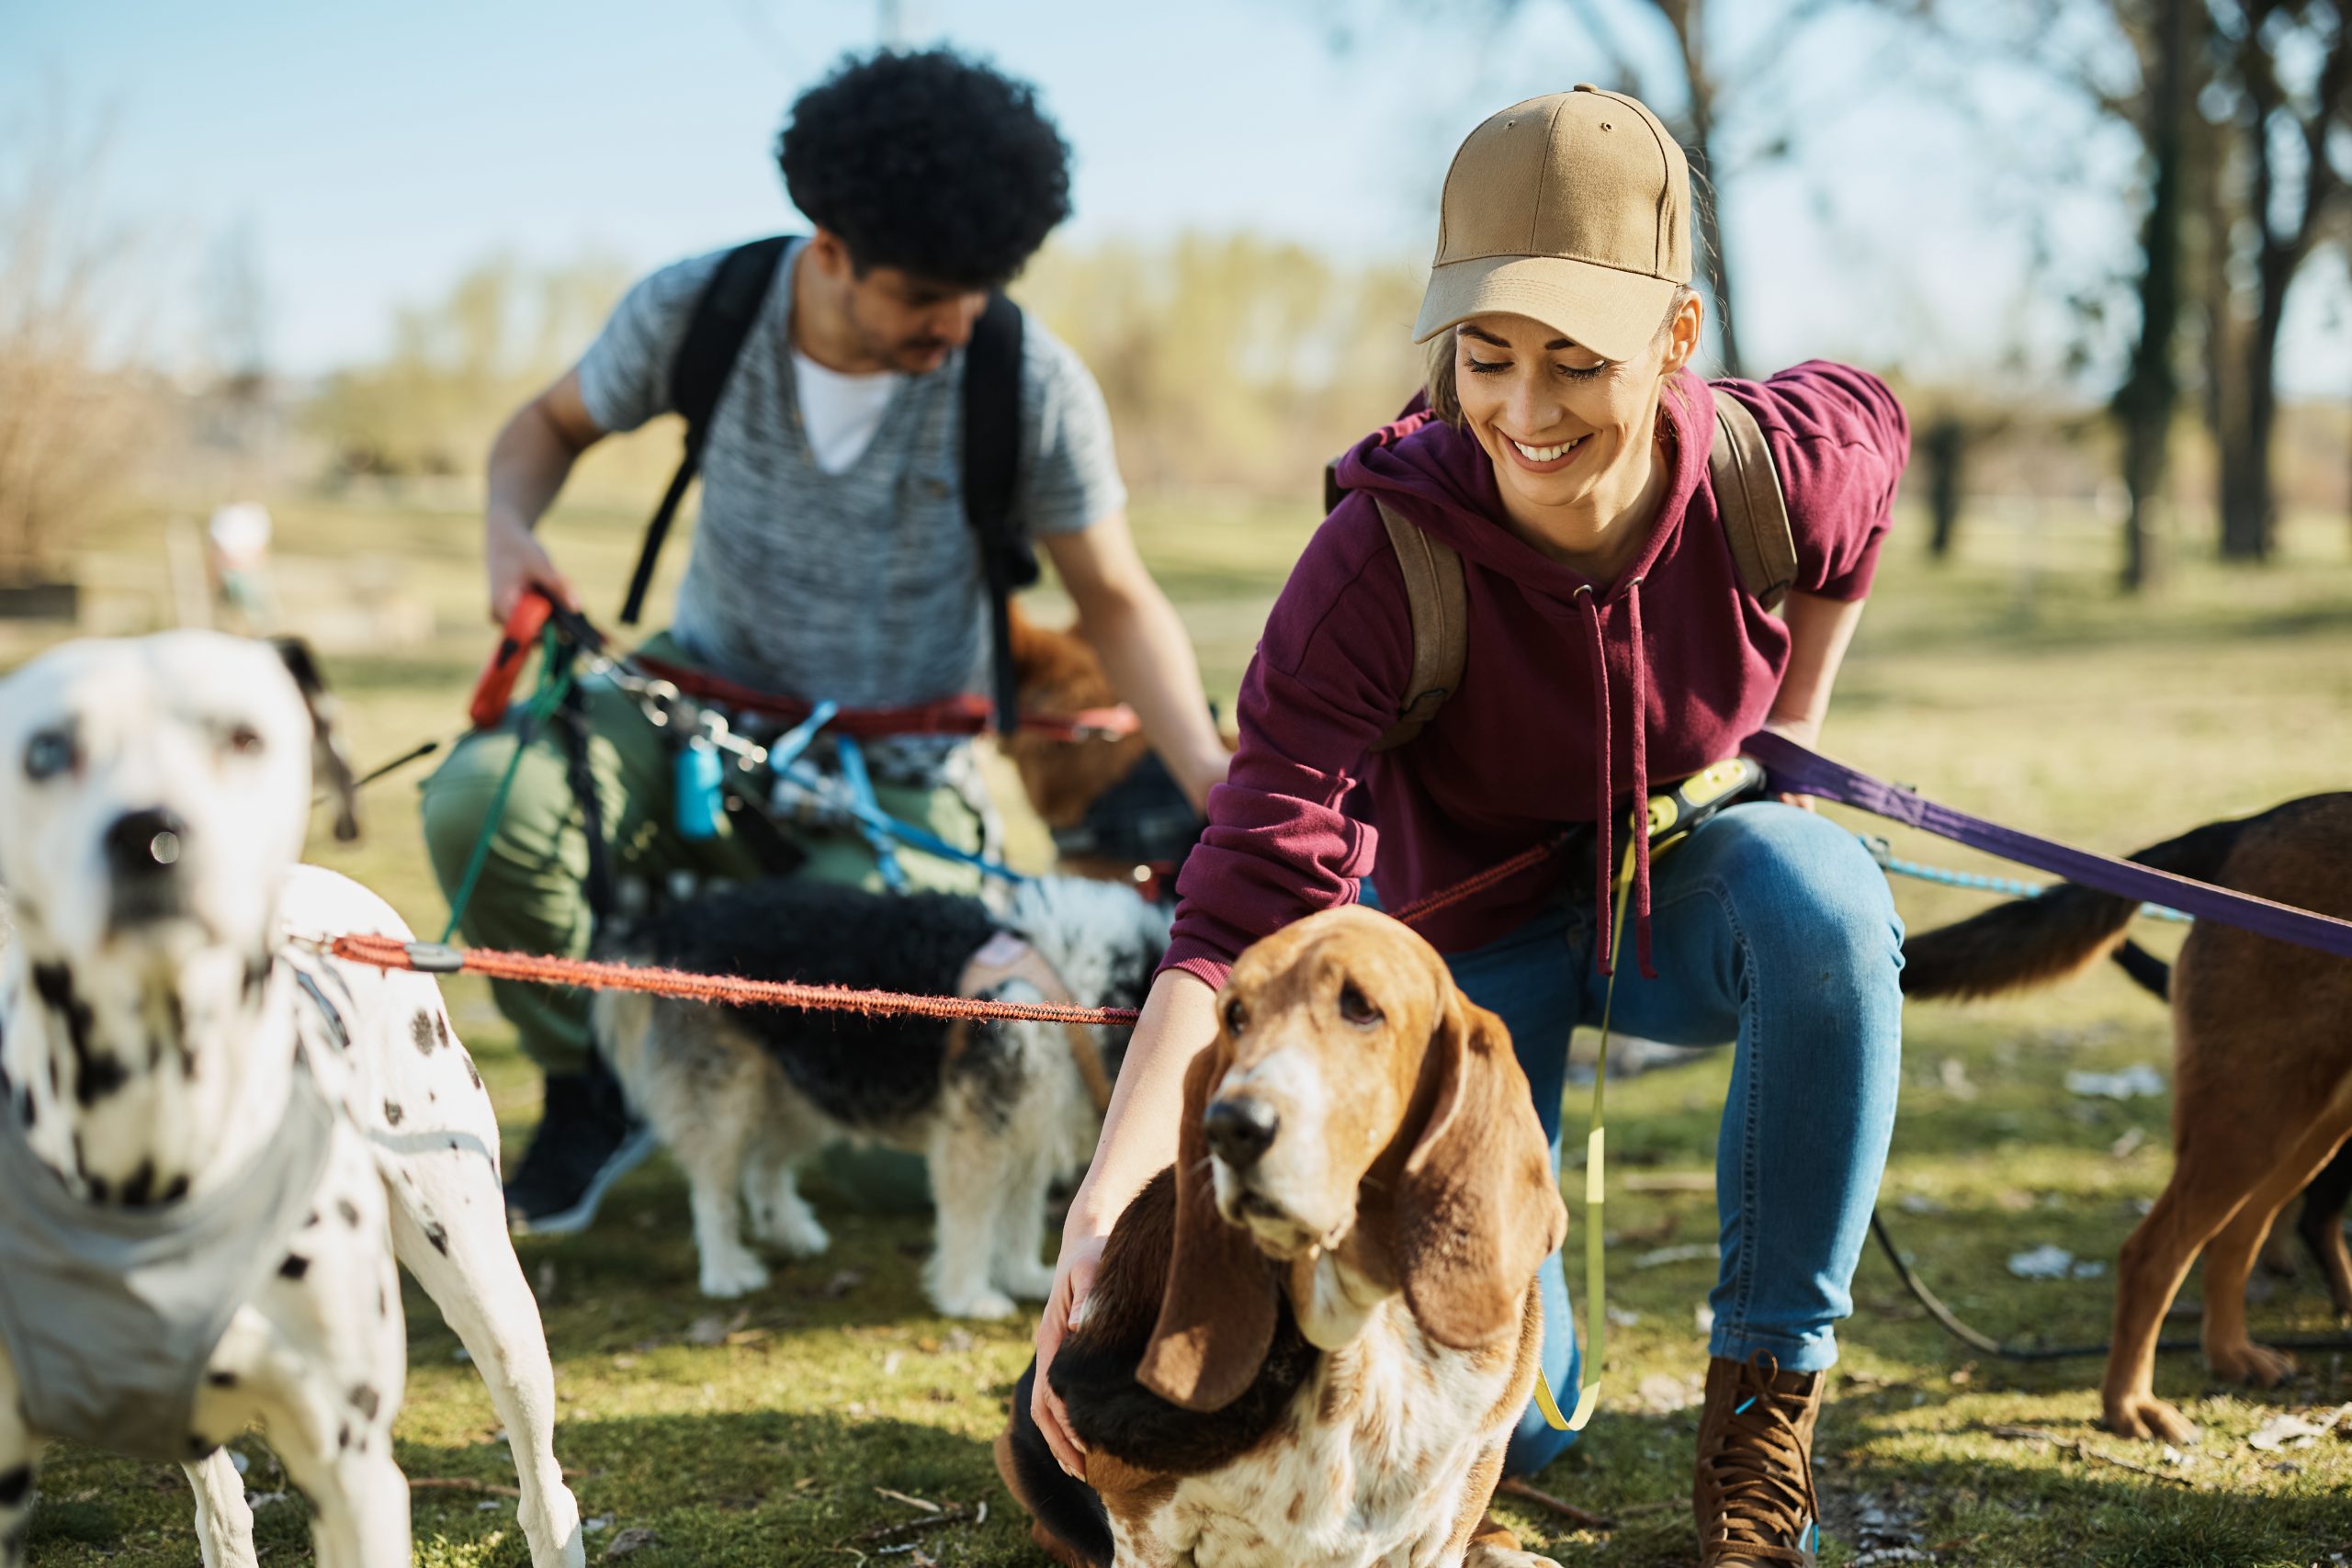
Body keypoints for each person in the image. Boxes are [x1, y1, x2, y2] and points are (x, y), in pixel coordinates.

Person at [1030, 86, 1908, 1567]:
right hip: (1464, 944)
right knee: (1510, 1386)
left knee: (1824, 895)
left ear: (1677, 340)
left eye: (1577, 363)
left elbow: (1869, 466)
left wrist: (1792, 730)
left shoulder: (1770, 463)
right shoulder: (1377, 559)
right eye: (1484, 358)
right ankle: (1534, 1401)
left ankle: (1767, 1406)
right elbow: (1239, 905)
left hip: (1682, 892)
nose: (1523, 410)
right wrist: (1109, 1202)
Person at [420, 48, 1229, 1235]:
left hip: (896, 782)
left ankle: (734, 1071)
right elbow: (542, 429)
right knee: (479, 800)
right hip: (694, 724)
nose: (954, 327)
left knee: (895, 1152)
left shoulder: (1026, 381)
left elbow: (1114, 594)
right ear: (830, 248)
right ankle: (599, 1079)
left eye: (980, 294)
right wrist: (507, 527)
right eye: (923, 297)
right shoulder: (698, 312)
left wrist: (1215, 774)